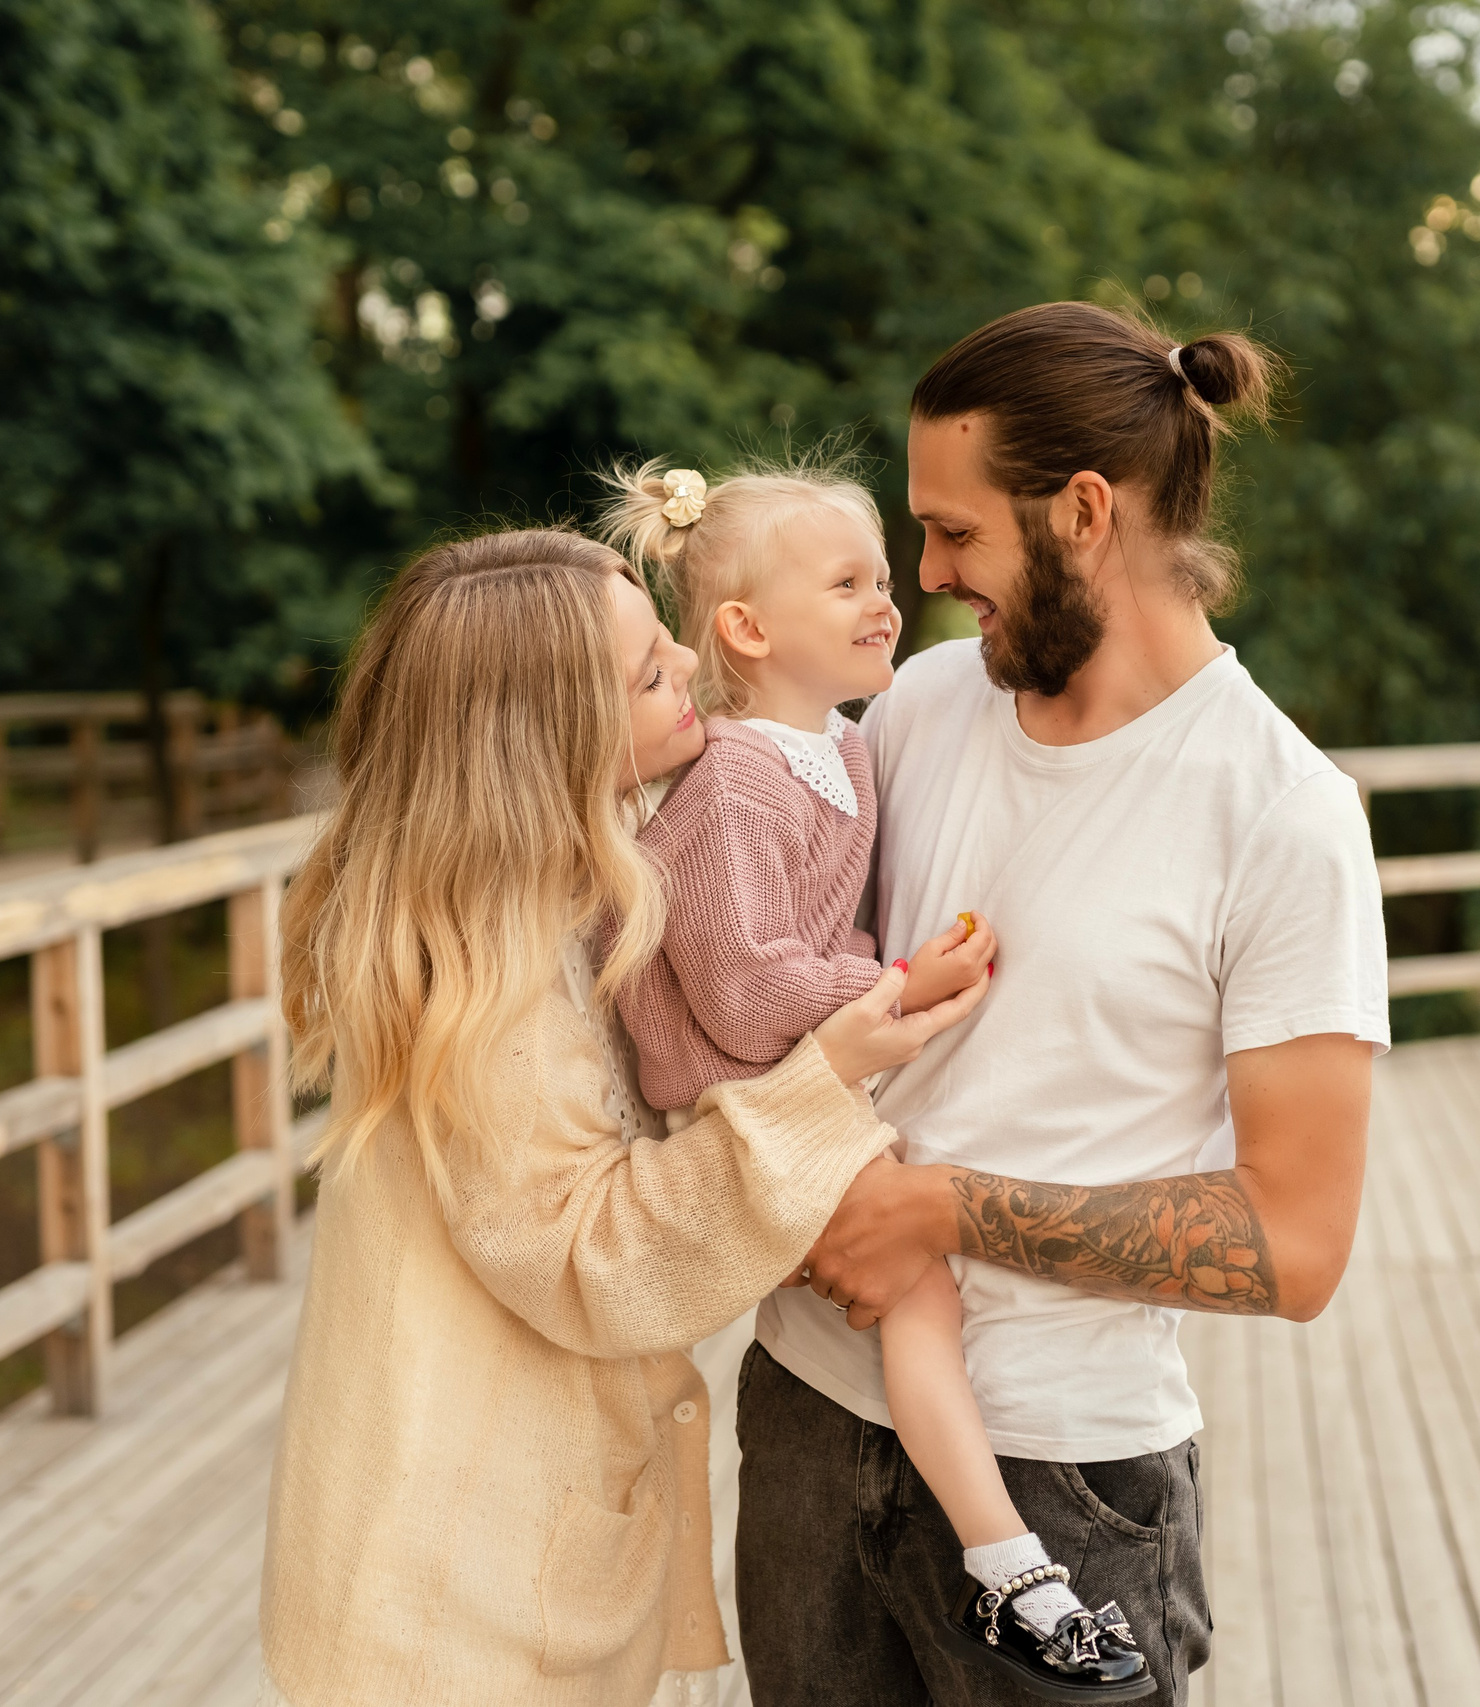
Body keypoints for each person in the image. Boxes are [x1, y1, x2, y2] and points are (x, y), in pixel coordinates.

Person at [735, 302, 1391, 1706]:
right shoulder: (915, 708)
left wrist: (945, 1209)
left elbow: (1297, 1239)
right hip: (805, 1414)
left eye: (956, 532)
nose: (927, 573)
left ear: (1084, 509)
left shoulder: (1282, 813)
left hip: (1065, 1485)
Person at [255, 528, 987, 1706]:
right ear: (547, 738)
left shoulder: (547, 881)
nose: (693, 666)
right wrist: (820, 1079)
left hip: (479, 1554)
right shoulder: (484, 975)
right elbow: (580, 1254)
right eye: (650, 674)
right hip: (452, 1603)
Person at [599, 456, 1149, 1699]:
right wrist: (893, 988)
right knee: (917, 1299)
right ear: (746, 628)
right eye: (848, 583)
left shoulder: (840, 748)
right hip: (734, 1083)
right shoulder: (736, 775)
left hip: (795, 1070)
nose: (889, 601)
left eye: (884, 578)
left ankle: (1005, 1564)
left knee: (920, 1300)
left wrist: (884, 977)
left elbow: (805, 942)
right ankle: (1013, 1570)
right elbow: (741, 982)